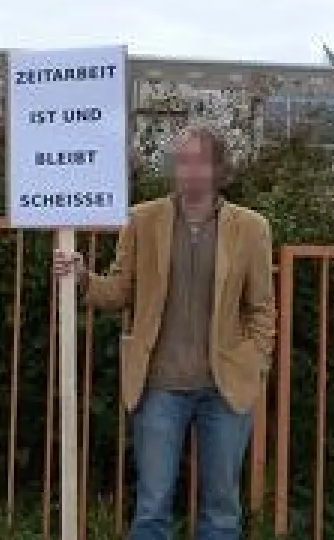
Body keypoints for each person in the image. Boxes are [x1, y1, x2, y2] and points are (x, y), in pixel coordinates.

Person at [54, 125, 276, 540]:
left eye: (200, 161)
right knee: (153, 506)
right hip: (159, 385)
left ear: (219, 169)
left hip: (227, 388)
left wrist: (256, 362)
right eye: (183, 160)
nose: (190, 170)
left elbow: (261, 307)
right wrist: (83, 278)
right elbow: (120, 290)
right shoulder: (142, 219)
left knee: (222, 511)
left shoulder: (251, 228)